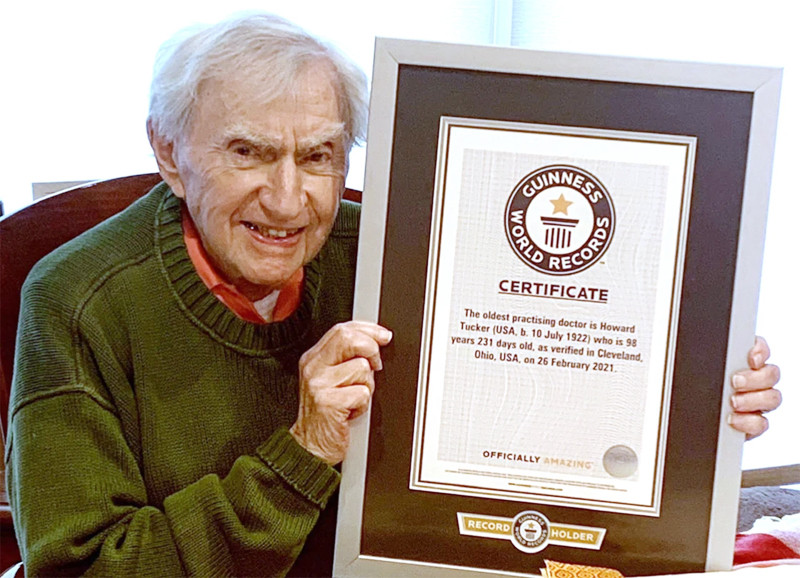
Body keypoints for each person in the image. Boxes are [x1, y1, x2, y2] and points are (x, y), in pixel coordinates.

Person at [5, 12, 781, 577]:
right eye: (248, 152)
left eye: (319, 156)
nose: (288, 200)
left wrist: (686, 403)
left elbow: (533, 416)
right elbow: (84, 571)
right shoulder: (77, 300)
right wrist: (302, 454)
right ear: (168, 152)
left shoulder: (404, 256)